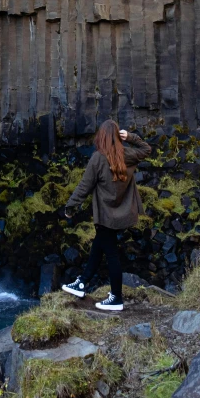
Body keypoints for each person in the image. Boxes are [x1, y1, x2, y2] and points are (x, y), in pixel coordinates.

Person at [62, 120, 151, 311]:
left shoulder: (98, 158)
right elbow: (146, 149)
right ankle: (82, 283)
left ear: (101, 137)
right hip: (121, 215)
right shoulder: (127, 154)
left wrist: (70, 206)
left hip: (105, 216)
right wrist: (131, 137)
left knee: (111, 255)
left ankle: (116, 297)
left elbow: (84, 186)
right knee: (99, 246)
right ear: (118, 136)